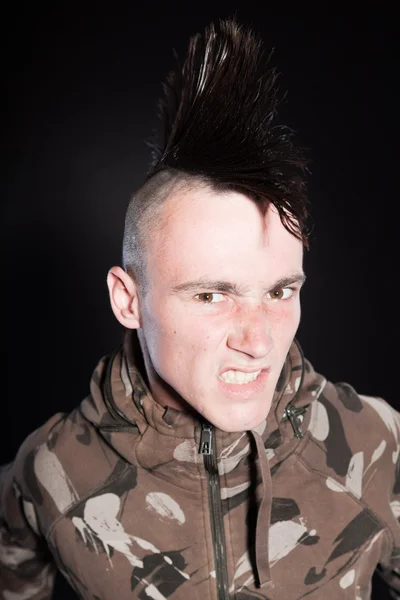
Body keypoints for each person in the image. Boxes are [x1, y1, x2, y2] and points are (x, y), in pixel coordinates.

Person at [1, 19, 399, 600]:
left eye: (280, 291)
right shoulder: (47, 473)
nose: (259, 341)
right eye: (212, 295)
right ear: (128, 300)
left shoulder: (375, 440)